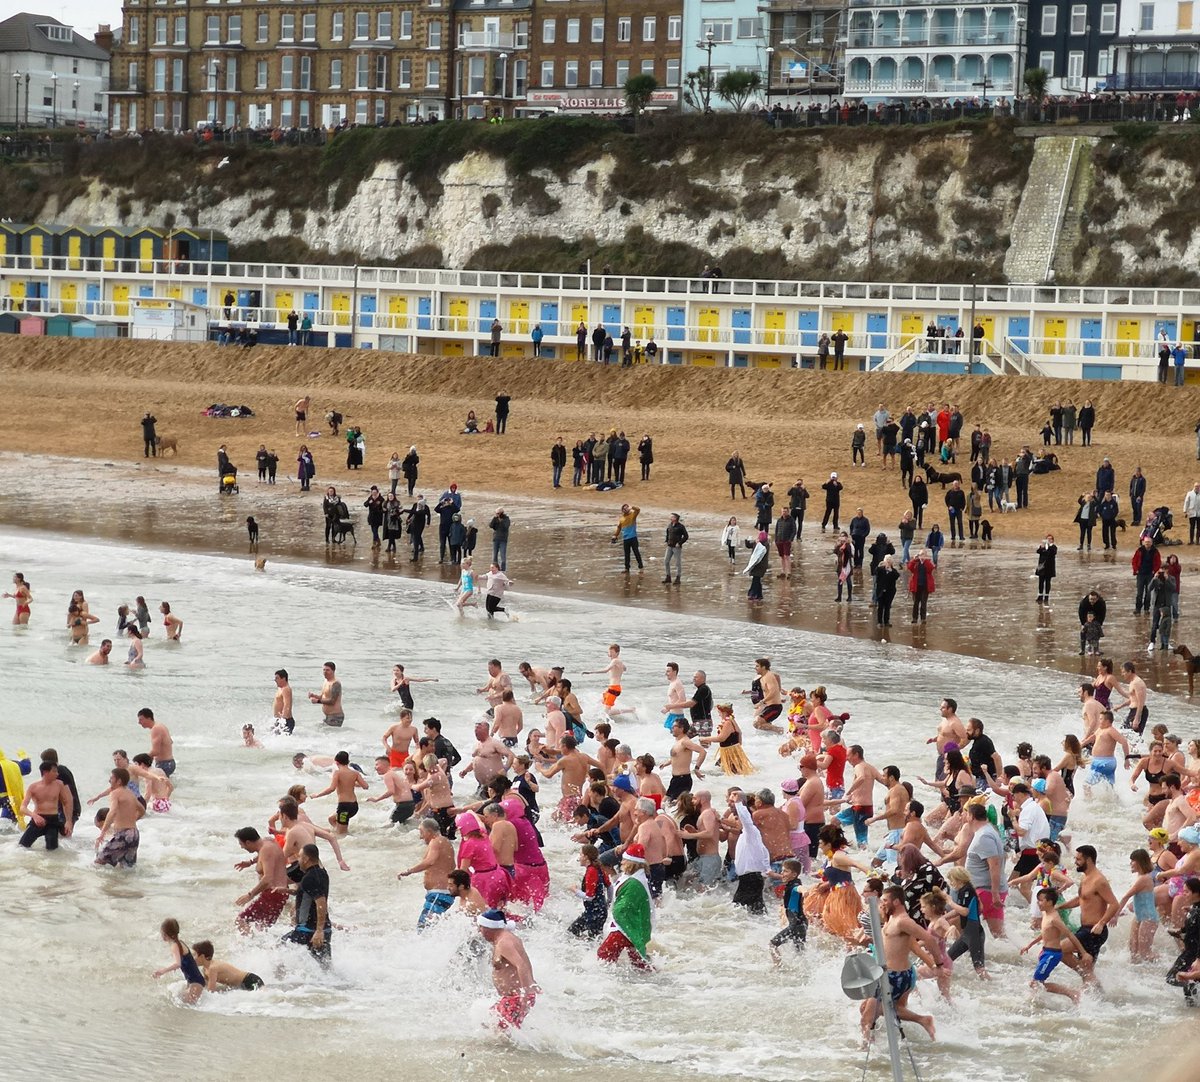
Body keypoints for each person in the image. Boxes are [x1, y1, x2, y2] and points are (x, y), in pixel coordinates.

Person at [859, 886, 940, 1043]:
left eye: (884, 900)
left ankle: (867, 1052)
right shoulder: (892, 919)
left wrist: (939, 965)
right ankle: (886, 1040)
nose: (881, 904)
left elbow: (928, 940)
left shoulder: (903, 921)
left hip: (893, 976)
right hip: (898, 973)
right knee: (873, 1009)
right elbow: (912, 947)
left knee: (867, 1018)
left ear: (896, 902)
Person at [1020, 888, 1090, 1004]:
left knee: (1036, 983)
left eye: (1041, 900)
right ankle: (1037, 1003)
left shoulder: (1054, 919)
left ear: (1050, 902)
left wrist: (1083, 952)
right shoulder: (1045, 914)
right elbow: (1044, 934)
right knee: (1037, 983)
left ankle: (1072, 993)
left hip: (1052, 954)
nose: (1038, 903)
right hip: (1045, 952)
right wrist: (1029, 945)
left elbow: (1070, 935)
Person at [478, 909, 539, 1030]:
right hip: (512, 998)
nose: (479, 931)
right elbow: (524, 962)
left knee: (499, 1034)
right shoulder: (504, 939)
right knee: (488, 1025)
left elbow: (521, 965)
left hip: (517, 998)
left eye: (481, 927)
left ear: (488, 928)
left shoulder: (504, 943)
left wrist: (524, 995)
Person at [598, 843, 654, 970]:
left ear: (632, 863)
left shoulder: (635, 883)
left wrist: (615, 913)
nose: (621, 862)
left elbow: (624, 908)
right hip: (634, 924)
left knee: (604, 955)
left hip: (626, 926)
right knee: (639, 962)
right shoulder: (633, 877)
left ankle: (607, 981)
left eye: (624, 859)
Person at [282, 843, 332, 965]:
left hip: (309, 929)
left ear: (306, 859)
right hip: (323, 928)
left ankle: (280, 981)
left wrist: (318, 931)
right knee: (323, 966)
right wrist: (289, 891)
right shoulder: (321, 873)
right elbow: (308, 895)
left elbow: (321, 902)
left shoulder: (310, 877)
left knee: (280, 948)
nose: (298, 860)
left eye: (299, 857)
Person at [233, 826, 290, 931]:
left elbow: (268, 878)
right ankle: (263, 946)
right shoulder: (268, 841)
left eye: (241, 844)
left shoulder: (266, 850)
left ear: (248, 842)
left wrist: (250, 895)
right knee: (262, 928)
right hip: (279, 893)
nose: (242, 847)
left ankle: (250, 946)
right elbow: (266, 856)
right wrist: (250, 862)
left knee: (241, 920)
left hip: (273, 894)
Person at [18, 760, 73, 850]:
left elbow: (66, 802)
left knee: (52, 850)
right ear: (45, 772)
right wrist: (34, 816)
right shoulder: (33, 787)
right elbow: (22, 808)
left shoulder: (59, 784)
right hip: (37, 819)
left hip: (53, 820)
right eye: (54, 771)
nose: (57, 774)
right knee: (22, 846)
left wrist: (68, 821)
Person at [94, 768, 144, 868]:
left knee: (98, 863)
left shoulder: (115, 793)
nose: (109, 780)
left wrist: (103, 832)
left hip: (123, 835)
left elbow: (112, 812)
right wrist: (132, 819)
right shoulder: (130, 793)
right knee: (126, 868)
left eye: (111, 778)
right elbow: (142, 809)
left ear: (119, 781)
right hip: (134, 834)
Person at [153, 918, 206, 1005]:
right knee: (182, 1002)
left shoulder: (174, 945)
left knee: (186, 1007)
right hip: (194, 981)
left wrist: (163, 971)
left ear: (165, 934)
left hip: (195, 982)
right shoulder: (179, 943)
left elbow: (178, 964)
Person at [191, 941, 264, 992]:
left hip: (251, 981)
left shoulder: (212, 968)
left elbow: (211, 991)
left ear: (202, 956)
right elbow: (205, 986)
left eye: (194, 955)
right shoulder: (205, 969)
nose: (192, 958)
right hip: (242, 985)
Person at [308, 661, 344, 727]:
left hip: (335, 716)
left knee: (328, 734)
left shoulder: (335, 683)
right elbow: (323, 697)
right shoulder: (326, 681)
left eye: (327, 670)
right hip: (328, 716)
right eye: (324, 670)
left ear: (333, 671)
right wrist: (314, 696)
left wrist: (317, 701)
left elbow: (332, 701)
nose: (325, 672)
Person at [612, 504, 643, 572]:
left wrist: (632, 507)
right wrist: (615, 535)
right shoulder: (622, 519)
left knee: (636, 552)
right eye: (623, 509)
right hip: (625, 538)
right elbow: (619, 527)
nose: (625, 509)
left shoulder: (633, 515)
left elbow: (638, 510)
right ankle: (627, 568)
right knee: (626, 554)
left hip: (633, 537)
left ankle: (640, 566)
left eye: (626, 508)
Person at [907, 548, 935, 623]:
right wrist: (914, 559)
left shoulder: (928, 563)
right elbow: (910, 568)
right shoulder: (916, 563)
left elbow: (931, 569)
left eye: (924, 555)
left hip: (925, 586)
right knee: (915, 603)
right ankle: (914, 618)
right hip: (916, 586)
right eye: (920, 555)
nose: (922, 557)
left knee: (923, 603)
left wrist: (925, 561)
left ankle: (923, 618)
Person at [662, 513, 688, 585]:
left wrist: (679, 543)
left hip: (677, 547)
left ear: (676, 518)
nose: (670, 518)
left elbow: (686, 536)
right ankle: (668, 576)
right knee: (666, 561)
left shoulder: (681, 527)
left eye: (672, 517)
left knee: (677, 563)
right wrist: (666, 541)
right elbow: (668, 533)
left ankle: (678, 577)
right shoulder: (670, 525)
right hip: (669, 546)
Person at [1036, 534, 1058, 604]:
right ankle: (1040, 595)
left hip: (1049, 568)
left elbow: (1053, 552)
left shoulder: (1053, 547)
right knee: (1041, 582)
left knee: (1048, 582)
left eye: (1050, 539)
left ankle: (1046, 596)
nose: (1048, 540)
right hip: (1042, 567)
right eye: (1047, 539)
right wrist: (1042, 547)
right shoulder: (1043, 546)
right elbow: (1038, 551)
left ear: (1052, 540)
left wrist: (1048, 546)